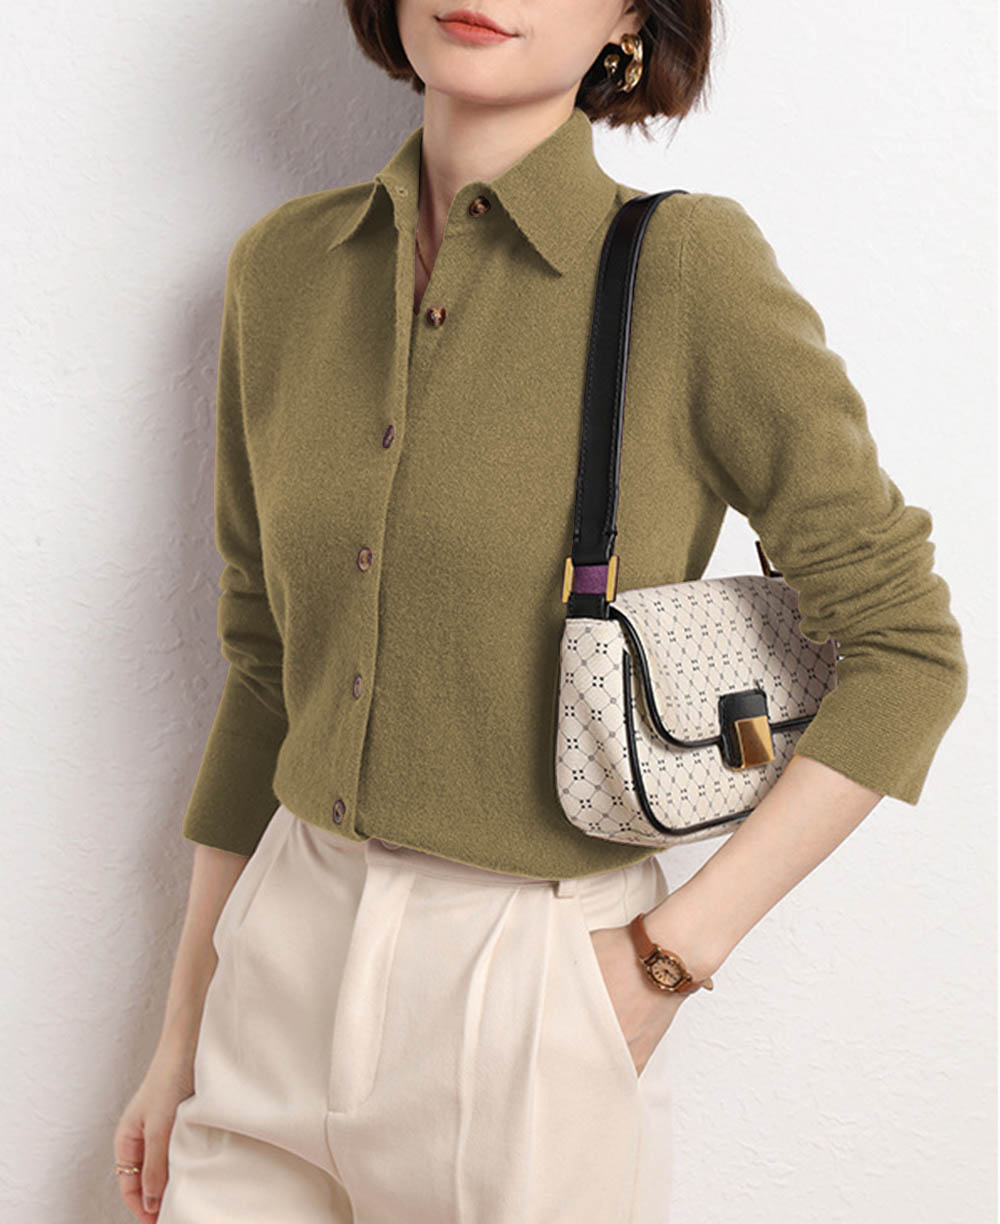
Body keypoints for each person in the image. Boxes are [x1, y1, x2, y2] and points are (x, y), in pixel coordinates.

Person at [113, 1, 969, 1220]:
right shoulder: (285, 270)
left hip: (528, 976)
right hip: (277, 954)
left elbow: (906, 647)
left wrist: (663, 963)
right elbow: (264, 668)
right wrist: (181, 1032)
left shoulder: (685, 269)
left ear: (629, 19)